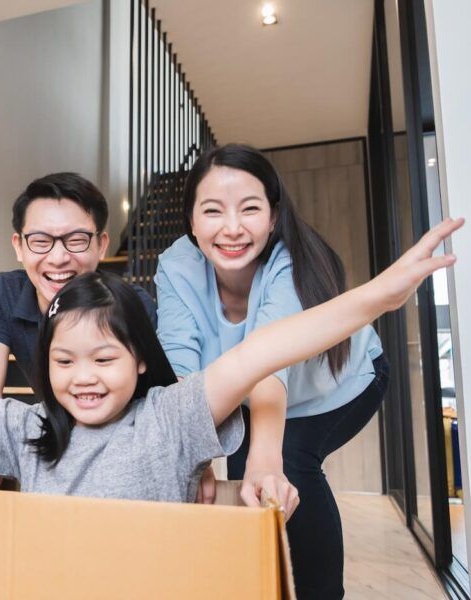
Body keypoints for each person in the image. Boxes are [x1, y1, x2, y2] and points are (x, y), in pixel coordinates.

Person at [0, 216, 460, 514]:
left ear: (140, 363)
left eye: (105, 357)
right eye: (65, 360)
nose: (84, 376)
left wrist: (379, 294)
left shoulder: (175, 417)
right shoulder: (22, 430)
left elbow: (272, 347)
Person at [155, 143, 388, 599]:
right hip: (253, 392)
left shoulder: (289, 264)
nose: (233, 228)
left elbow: (268, 366)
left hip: (341, 385)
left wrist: (268, 460)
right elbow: (180, 371)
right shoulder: (175, 267)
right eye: (213, 211)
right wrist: (195, 458)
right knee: (248, 480)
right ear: (191, 221)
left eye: (250, 209)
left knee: (287, 463)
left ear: (274, 215)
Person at [0, 172, 156, 401]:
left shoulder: (132, 305)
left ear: (101, 245)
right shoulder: (2, 293)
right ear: (19, 247)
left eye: (76, 240)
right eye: (40, 241)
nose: (58, 258)